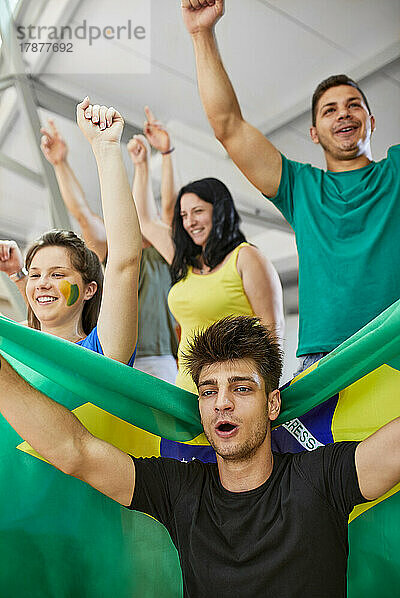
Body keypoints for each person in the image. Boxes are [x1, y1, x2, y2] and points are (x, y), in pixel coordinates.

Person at [0, 315, 398, 598]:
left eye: (241, 388)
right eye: (208, 391)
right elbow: (74, 450)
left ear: (273, 404)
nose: (222, 403)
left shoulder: (322, 476)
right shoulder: (180, 489)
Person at [181, 0, 400, 374]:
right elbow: (227, 125)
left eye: (353, 105)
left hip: (393, 347)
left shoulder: (395, 170)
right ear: (313, 133)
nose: (343, 113)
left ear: (371, 121)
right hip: (324, 360)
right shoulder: (301, 186)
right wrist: (202, 34)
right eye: (329, 110)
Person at [129, 134, 284, 392]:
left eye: (198, 211)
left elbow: (272, 333)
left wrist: (265, 392)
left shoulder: (246, 258)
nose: (190, 222)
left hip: (233, 391)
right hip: (187, 391)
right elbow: (144, 219)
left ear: (219, 211)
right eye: (184, 215)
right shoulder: (185, 261)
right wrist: (141, 164)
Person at [35, 110, 178, 382]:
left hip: (159, 357)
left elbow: (168, 210)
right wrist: (60, 164)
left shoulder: (162, 254)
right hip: (113, 347)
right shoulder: (112, 251)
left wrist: (154, 161)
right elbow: (82, 214)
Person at [0, 97, 141, 365]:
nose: (42, 282)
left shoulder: (103, 350)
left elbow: (125, 261)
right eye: (35, 274)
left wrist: (106, 147)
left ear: (89, 289)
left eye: (57, 274)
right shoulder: (14, 349)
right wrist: (18, 274)